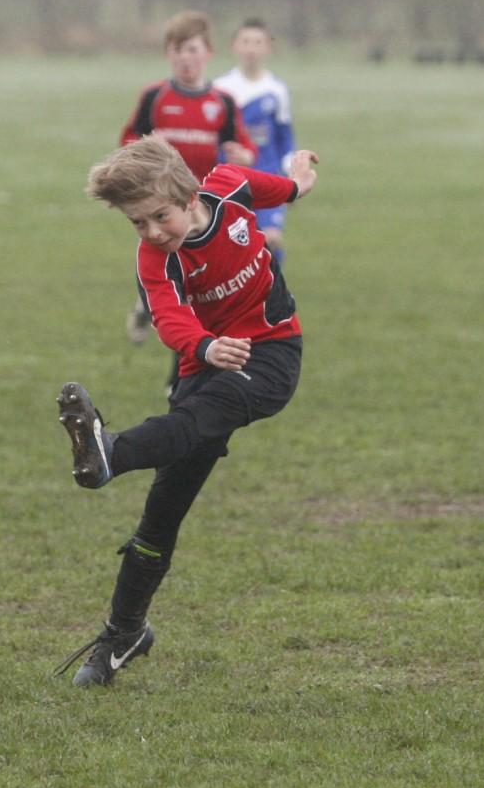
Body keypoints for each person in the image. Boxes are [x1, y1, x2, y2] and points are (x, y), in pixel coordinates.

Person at [54, 134, 319, 688]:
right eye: (137, 224)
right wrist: (202, 348)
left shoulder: (231, 187)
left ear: (188, 192)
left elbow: (281, 190)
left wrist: (298, 178)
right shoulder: (154, 259)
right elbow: (169, 318)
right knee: (163, 510)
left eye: (159, 217)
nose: (151, 232)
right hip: (203, 365)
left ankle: (111, 452)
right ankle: (124, 632)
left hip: (269, 353)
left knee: (204, 416)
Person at [120, 11, 256, 345]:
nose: (186, 58)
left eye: (193, 49)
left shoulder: (221, 103)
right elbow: (128, 142)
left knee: (197, 288)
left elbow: (244, 145)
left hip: (201, 206)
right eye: (178, 50)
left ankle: (157, 321)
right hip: (162, 206)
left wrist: (246, 155)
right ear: (168, 54)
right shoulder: (155, 98)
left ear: (208, 53)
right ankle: (155, 315)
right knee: (175, 280)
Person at [214, 18, 296, 263]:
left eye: (258, 42)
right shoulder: (221, 89)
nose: (251, 48)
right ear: (234, 46)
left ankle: (274, 296)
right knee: (235, 245)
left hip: (268, 175)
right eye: (246, 42)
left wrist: (290, 174)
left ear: (268, 48)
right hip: (231, 180)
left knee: (270, 238)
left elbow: (285, 136)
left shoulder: (276, 90)